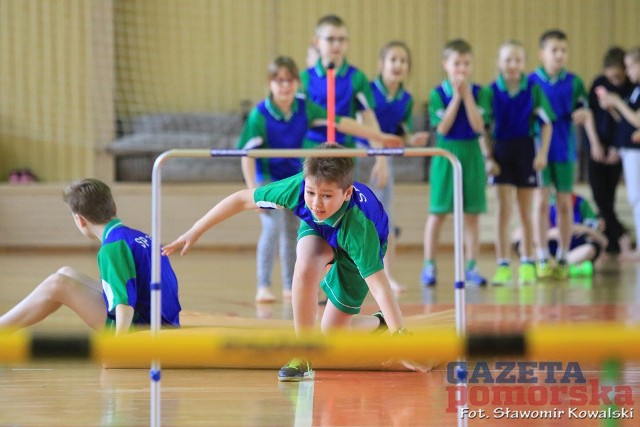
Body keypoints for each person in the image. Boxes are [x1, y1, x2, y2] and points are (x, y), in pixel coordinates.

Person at [162, 144, 425, 381]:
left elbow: (379, 286)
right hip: (320, 231)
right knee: (306, 264)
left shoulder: (360, 230)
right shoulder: (300, 191)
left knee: (333, 335)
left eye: (326, 196)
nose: (316, 203)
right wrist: (195, 230)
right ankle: (304, 353)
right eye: (311, 192)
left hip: (359, 240)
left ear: (346, 194)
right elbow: (242, 199)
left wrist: (400, 338)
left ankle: (379, 324)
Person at [238, 56, 403, 303]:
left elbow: (343, 123)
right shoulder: (259, 115)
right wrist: (253, 190)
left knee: (293, 232)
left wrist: (378, 136)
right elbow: (247, 155)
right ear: (270, 84)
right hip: (269, 179)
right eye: (279, 81)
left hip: (297, 177)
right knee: (272, 228)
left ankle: (288, 285)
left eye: (290, 80)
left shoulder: (304, 107)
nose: (285, 86)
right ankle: (263, 284)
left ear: (297, 83)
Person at [0, 178, 181, 335]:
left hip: (142, 327)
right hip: (161, 319)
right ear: (114, 207)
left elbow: (124, 304)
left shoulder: (112, 248)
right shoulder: (137, 236)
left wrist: (120, 348)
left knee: (57, 284)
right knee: (66, 273)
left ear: (80, 220)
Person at [357, 41, 429, 292]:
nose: (398, 65)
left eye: (403, 61)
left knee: (385, 219)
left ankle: (387, 276)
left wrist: (411, 140)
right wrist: (379, 156)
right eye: (393, 60)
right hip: (361, 156)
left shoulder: (406, 99)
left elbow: (401, 131)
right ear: (381, 64)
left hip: (384, 160)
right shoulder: (367, 90)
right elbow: (362, 124)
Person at [483, 40, 556, 286]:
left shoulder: (533, 88)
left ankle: (527, 261)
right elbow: (482, 128)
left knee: (526, 211)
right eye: (507, 60)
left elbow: (547, 123)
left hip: (526, 149)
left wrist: (542, 153)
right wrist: (488, 158)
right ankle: (503, 264)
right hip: (501, 151)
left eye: (517, 60)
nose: (513, 65)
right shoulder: (491, 91)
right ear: (499, 63)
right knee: (503, 211)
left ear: (524, 63)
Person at [421, 39, 488, 287]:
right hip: (446, 153)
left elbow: (479, 126)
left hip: (472, 154)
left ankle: (472, 266)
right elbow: (443, 128)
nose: (461, 68)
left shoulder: (482, 92)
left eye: (466, 63)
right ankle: (429, 265)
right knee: (438, 213)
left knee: (472, 215)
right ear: (445, 65)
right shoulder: (436, 94)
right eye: (456, 63)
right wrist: (456, 99)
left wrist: (467, 97)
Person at [528, 29, 594, 280]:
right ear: (542, 53)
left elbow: (584, 109)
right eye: (554, 50)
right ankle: (542, 254)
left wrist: (585, 114)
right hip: (538, 152)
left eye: (563, 50)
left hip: (565, 149)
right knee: (541, 202)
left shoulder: (575, 82)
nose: (559, 55)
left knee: (565, 203)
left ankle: (565, 256)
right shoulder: (531, 82)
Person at [300, 14, 390, 188]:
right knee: (311, 209)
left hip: (344, 151)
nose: (336, 44)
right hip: (310, 151)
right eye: (331, 39)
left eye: (341, 39)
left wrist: (381, 159)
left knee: (342, 207)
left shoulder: (357, 78)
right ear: (317, 42)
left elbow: (369, 120)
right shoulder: (304, 78)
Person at [587, 47, 637, 259]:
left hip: (620, 147)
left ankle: (613, 240)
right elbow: (589, 114)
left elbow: (626, 121)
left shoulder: (631, 88)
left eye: (620, 74)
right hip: (599, 145)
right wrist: (594, 144)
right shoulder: (599, 83)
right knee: (599, 196)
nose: (615, 79)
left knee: (611, 196)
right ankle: (619, 237)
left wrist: (618, 146)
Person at [514, 193, 608, 277]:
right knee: (521, 239)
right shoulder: (543, 203)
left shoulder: (580, 202)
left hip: (572, 249)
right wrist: (550, 234)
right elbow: (524, 235)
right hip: (547, 248)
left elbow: (604, 241)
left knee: (590, 249)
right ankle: (565, 267)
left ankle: (558, 266)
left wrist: (584, 229)